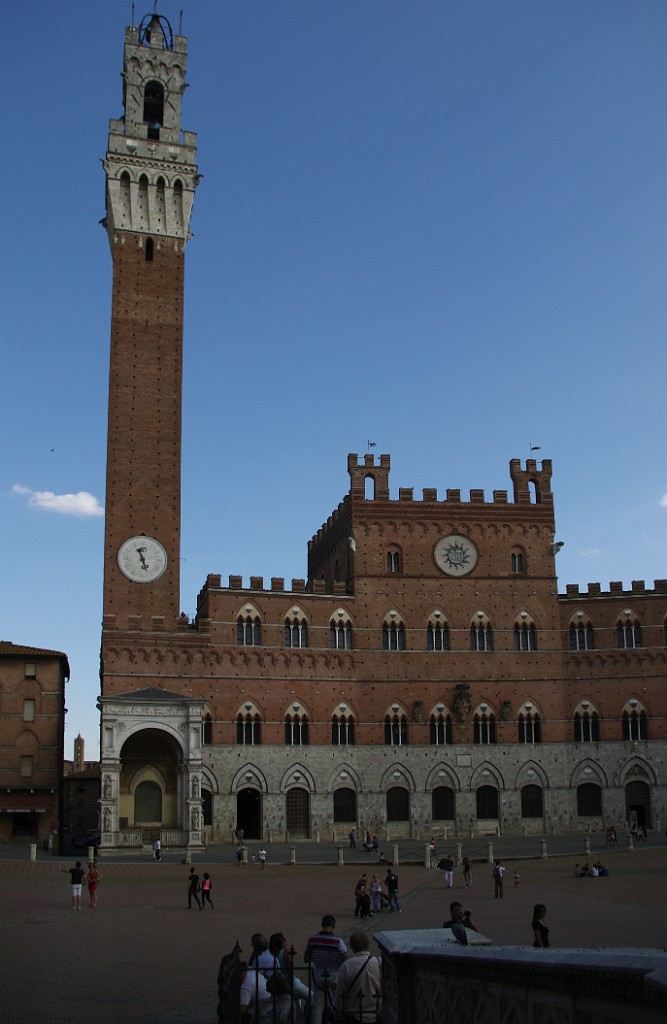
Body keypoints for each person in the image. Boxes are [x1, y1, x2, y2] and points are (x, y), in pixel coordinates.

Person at [305, 914, 348, 1023]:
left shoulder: (312, 939)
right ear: (333, 926)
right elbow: (346, 960)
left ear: (322, 925)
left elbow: (306, 958)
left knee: (318, 1004)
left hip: (319, 974)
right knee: (339, 1001)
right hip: (335, 974)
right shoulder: (338, 941)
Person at [334, 931, 381, 1024]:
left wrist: (337, 1012)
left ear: (352, 947)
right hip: (376, 1013)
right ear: (368, 944)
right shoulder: (378, 962)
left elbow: (340, 993)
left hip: (354, 1015)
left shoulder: (346, 966)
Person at [239, 959, 270, 1024]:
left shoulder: (245, 987)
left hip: (263, 1009)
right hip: (269, 1000)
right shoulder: (251, 971)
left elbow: (242, 1010)